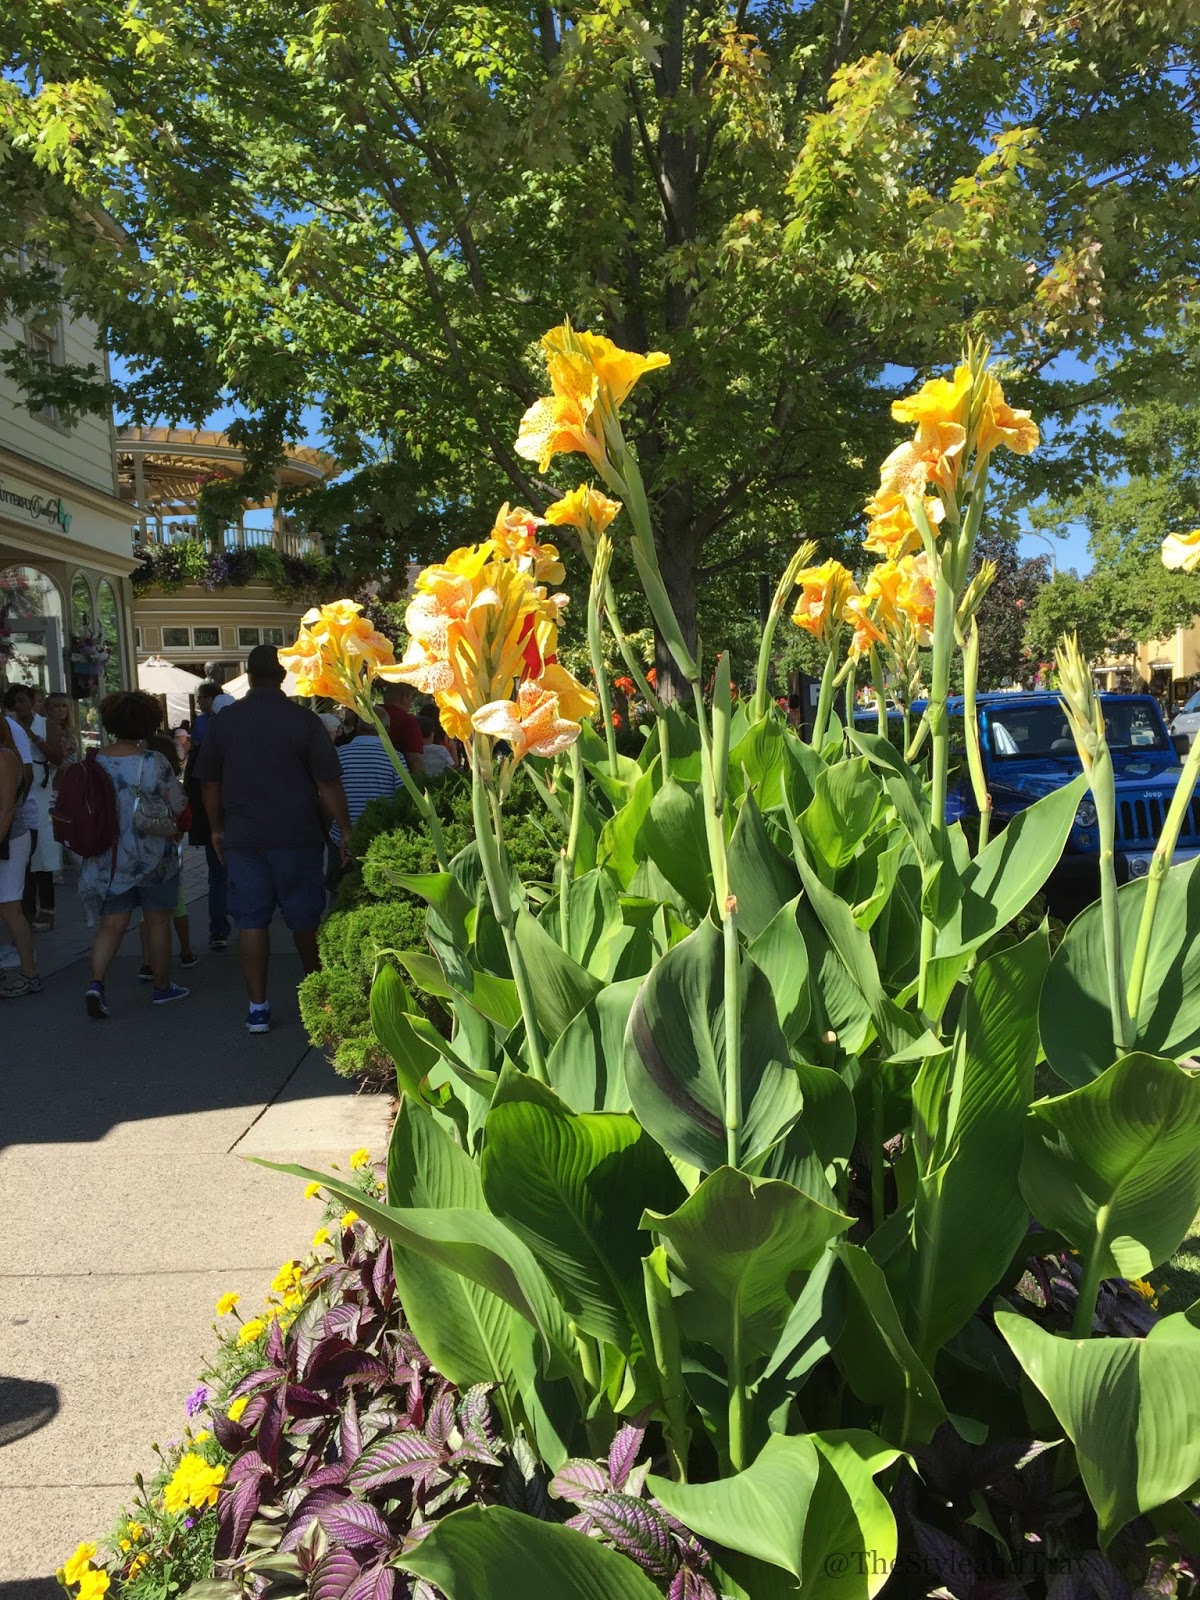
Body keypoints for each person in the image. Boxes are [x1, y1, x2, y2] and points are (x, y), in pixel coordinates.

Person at [197, 644, 352, 1033]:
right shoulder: (304, 721)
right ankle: (321, 1000)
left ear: (248, 676)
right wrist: (346, 830)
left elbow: (209, 784)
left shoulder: (226, 722)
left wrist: (216, 827)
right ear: (284, 677)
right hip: (297, 834)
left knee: (251, 921)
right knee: (304, 919)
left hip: (244, 835)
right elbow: (328, 782)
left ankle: (257, 1008)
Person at [80, 690, 190, 1018]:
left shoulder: (94, 760)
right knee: (157, 923)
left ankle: (96, 984)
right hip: (155, 857)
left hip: (110, 859)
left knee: (111, 926)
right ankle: (162, 987)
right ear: (148, 722)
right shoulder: (153, 762)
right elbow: (179, 805)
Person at [137, 733, 198, 979]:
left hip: (140, 850)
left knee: (146, 910)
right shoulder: (172, 785)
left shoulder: (134, 782)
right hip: (168, 850)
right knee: (177, 904)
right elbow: (185, 817)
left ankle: (147, 961)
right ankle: (185, 951)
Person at [183, 684, 231, 951]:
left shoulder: (203, 749)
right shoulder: (244, 746)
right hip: (239, 819)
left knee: (218, 875)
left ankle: (220, 930)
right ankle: (246, 925)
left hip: (216, 820)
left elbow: (197, 787)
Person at [22, 689, 71, 929]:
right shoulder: (12, 724)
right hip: (27, 791)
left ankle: (47, 909)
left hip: (46, 791)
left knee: (44, 848)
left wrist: (33, 738)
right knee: (27, 853)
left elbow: (59, 758)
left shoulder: (47, 726)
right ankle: (28, 908)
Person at [0, 713, 40, 997]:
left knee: (10, 907)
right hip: (8, 837)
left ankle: (29, 974)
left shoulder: (4, 756)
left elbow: (7, 809)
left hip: (10, 839)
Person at [378, 682, 425, 780]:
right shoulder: (407, 720)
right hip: (398, 778)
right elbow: (414, 758)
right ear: (404, 698)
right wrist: (423, 782)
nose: (411, 704)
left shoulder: (370, 716)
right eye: (411, 699)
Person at [418, 712, 457, 779]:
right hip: (440, 782)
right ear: (432, 733)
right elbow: (452, 764)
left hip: (423, 782)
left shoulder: (415, 751)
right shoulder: (441, 749)